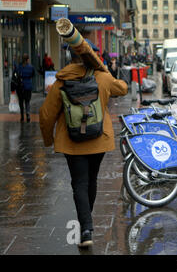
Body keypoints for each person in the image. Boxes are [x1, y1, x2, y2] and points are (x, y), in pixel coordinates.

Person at [39, 45, 128, 248]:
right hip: (98, 140)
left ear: (70, 58)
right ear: (93, 58)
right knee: (91, 180)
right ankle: (87, 221)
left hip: (72, 142)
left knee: (79, 183)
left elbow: (46, 114)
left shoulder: (61, 81)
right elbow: (122, 88)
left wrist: (48, 139)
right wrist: (104, 69)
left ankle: (86, 228)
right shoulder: (102, 78)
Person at [16, 54, 35, 123]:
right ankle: (28, 115)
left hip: (20, 86)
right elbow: (33, 75)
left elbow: (16, 74)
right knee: (27, 101)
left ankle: (22, 116)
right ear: (28, 59)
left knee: (21, 102)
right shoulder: (31, 67)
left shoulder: (19, 67)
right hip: (28, 86)